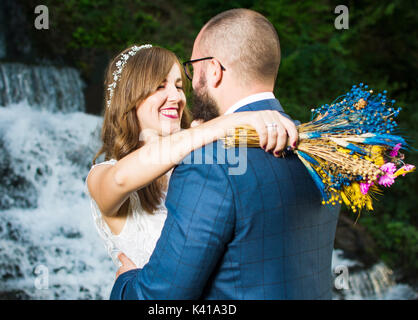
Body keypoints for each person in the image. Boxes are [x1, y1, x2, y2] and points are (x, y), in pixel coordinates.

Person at [111, 8, 340, 300]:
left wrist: (124, 282)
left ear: (214, 70)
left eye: (192, 70)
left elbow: (159, 298)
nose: (191, 85)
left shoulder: (210, 163)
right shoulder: (321, 147)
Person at [85, 44, 298, 269]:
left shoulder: (201, 157)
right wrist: (227, 122)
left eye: (178, 86)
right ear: (130, 98)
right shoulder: (101, 176)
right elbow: (120, 179)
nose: (175, 97)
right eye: (159, 86)